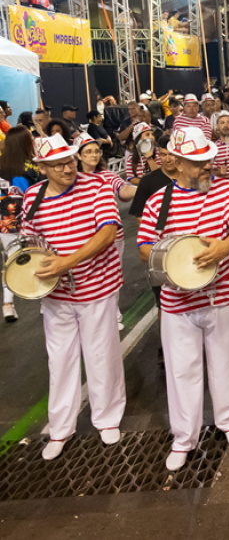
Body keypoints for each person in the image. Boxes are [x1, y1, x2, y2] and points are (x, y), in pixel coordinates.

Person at [137, 127, 229, 471]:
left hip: (223, 293)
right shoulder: (159, 200)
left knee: (227, 361)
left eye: (209, 160)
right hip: (177, 301)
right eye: (199, 162)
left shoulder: (226, 190)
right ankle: (184, 436)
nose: (207, 167)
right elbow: (143, 247)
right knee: (181, 370)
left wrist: (224, 247)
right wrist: (175, 257)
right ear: (179, 163)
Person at [21, 134, 126, 461]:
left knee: (101, 353)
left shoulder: (95, 187)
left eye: (69, 160)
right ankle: (60, 428)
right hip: (56, 295)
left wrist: (67, 261)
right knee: (60, 360)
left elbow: (107, 231)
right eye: (58, 165)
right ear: (43, 168)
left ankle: (107, 418)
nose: (68, 168)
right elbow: (30, 241)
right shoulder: (32, 197)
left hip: (97, 287)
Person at [0, 125, 37, 322]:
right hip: (31, 219)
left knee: (11, 261)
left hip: (5, 221)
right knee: (41, 255)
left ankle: (7, 304)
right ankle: (46, 299)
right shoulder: (31, 167)